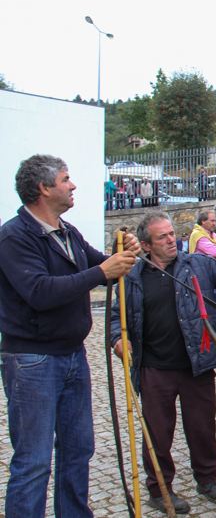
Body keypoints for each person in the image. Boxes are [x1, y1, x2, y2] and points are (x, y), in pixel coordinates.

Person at [0, 155, 139, 518]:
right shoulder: (13, 236)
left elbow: (102, 266)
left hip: (73, 355)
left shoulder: (68, 231)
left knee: (79, 449)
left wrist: (125, 255)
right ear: (45, 189)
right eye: (66, 179)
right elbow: (40, 292)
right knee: (33, 461)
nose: (73, 185)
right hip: (33, 361)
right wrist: (102, 271)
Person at [110, 212, 216, 513]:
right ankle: (159, 489)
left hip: (197, 365)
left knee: (202, 428)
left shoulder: (197, 263)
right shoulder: (130, 275)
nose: (172, 240)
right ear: (145, 244)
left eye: (172, 234)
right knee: (157, 434)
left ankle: (206, 480)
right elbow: (117, 316)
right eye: (163, 237)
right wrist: (119, 340)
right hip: (153, 369)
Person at [189, 210, 216, 337]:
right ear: (203, 221)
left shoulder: (209, 234)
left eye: (215, 220)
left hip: (215, 277)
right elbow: (215, 252)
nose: (214, 223)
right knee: (208, 313)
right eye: (211, 221)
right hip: (203, 280)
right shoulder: (198, 235)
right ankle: (212, 340)